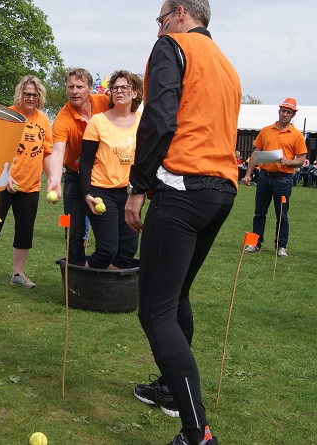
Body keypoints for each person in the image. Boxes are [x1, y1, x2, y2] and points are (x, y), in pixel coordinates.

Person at [124, 2, 241, 444]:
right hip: (220, 191)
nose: (157, 27)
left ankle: (197, 433)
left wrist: (138, 186)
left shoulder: (171, 45)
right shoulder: (225, 63)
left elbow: (158, 118)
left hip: (183, 188)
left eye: (159, 18)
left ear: (177, 12)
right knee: (175, 298)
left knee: (155, 312)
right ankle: (173, 390)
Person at [0, 75, 53, 291]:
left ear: (40, 96)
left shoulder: (43, 120)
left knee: (25, 231)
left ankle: (17, 274)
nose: (30, 98)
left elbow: (47, 153)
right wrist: (4, 176)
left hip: (31, 186)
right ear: (20, 94)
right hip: (3, 183)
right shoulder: (9, 115)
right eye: (27, 94)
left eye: (34, 94)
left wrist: (53, 177)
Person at [79, 70, 142, 270]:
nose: (119, 91)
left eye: (125, 87)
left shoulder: (143, 122)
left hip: (129, 194)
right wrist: (86, 193)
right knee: (107, 250)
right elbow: (86, 162)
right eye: (115, 87)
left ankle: (104, 294)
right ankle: (80, 284)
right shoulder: (98, 122)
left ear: (135, 93)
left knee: (127, 250)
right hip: (101, 191)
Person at [46, 68, 110, 265]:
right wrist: (55, 180)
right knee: (73, 232)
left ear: (89, 88)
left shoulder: (104, 103)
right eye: (70, 87)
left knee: (106, 232)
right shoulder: (63, 118)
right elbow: (57, 151)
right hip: (74, 177)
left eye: (79, 87)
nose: (74, 91)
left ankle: (103, 276)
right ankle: (75, 282)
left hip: (104, 177)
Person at [242, 98, 308, 257]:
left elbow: (302, 159)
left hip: (283, 179)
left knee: (282, 215)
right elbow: (256, 154)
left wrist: (289, 162)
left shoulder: (297, 135)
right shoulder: (265, 130)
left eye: (288, 112)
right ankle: (254, 243)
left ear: (293, 115)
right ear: (279, 111)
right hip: (264, 177)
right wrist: (248, 174)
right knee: (259, 213)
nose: (285, 114)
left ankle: (281, 247)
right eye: (283, 111)